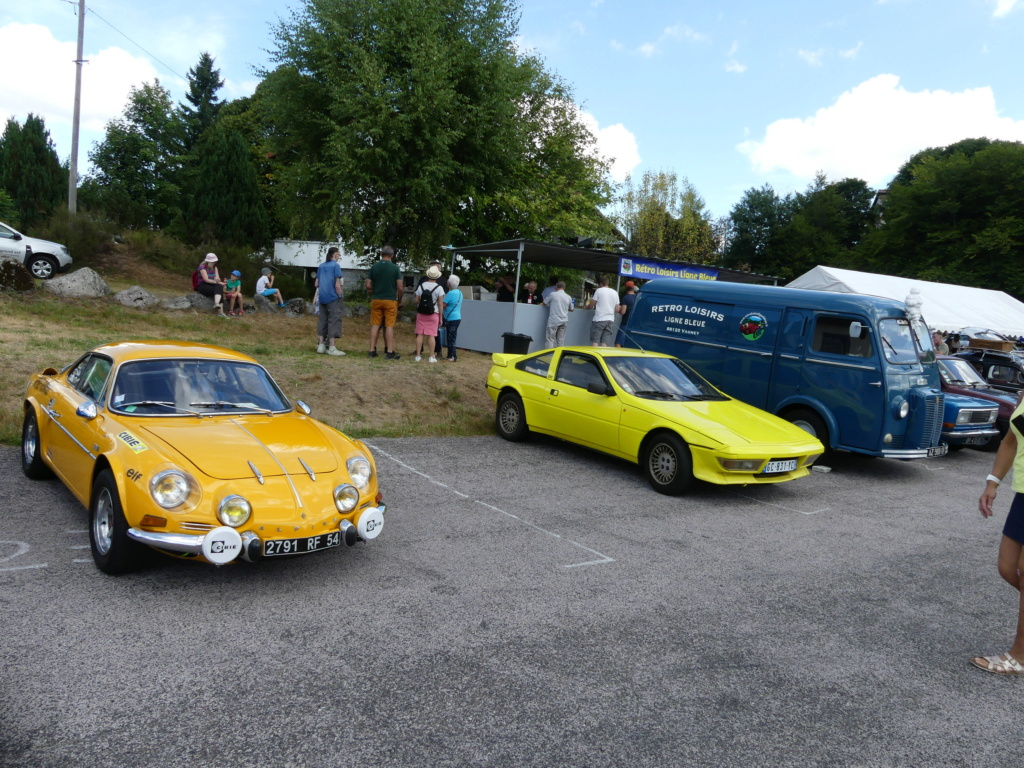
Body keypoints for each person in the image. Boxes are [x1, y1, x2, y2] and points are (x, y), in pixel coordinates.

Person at [974, 391, 1024, 675]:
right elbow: (1010, 440)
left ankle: (1019, 656)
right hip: (1023, 494)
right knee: (1007, 567)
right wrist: (992, 483)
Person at [365, 245, 403, 360]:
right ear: (392, 256)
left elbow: (368, 285)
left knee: (375, 325)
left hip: (376, 299)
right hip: (390, 300)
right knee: (389, 325)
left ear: (381, 254)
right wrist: (399, 300)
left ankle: (372, 350)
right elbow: (400, 287)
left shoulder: (374, 267)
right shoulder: (395, 268)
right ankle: (389, 351)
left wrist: (373, 292)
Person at [315, 247, 345, 356]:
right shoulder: (336, 266)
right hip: (332, 297)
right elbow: (337, 285)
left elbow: (316, 284)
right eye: (339, 254)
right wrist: (340, 295)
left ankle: (321, 345)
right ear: (335, 254)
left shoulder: (321, 266)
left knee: (322, 320)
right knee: (333, 320)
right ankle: (332, 347)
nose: (340, 256)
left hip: (322, 297)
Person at [413, 265, 445, 362]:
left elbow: (416, 300)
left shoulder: (421, 286)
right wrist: (440, 318)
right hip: (433, 313)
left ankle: (418, 355)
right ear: (437, 276)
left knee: (420, 334)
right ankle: (432, 356)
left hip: (421, 313)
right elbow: (440, 304)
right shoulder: (439, 288)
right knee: (431, 335)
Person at [588, 276, 619, 347]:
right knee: (604, 343)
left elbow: (592, 304)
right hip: (610, 320)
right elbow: (617, 309)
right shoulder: (615, 292)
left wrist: (588, 306)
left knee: (595, 341)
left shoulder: (599, 291)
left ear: (601, 284)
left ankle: (594, 357)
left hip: (599, 319)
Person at [195, 253, 227, 317]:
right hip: (203, 285)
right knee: (219, 289)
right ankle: (220, 312)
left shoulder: (215, 268)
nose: (215, 263)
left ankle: (217, 304)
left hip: (212, 284)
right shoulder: (202, 267)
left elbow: (218, 278)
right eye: (213, 262)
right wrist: (216, 282)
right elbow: (206, 280)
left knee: (219, 287)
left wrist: (218, 280)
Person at [543, 281, 574, 348]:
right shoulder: (568, 297)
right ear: (564, 288)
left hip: (554, 319)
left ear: (556, 287)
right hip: (564, 320)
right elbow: (571, 309)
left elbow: (544, 303)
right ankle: (560, 356)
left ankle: (549, 356)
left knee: (550, 339)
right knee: (560, 341)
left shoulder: (553, 294)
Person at [443, 274, 463, 362]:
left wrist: (445, 304)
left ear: (449, 284)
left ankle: (452, 356)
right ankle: (451, 355)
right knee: (452, 337)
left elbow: (442, 305)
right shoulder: (459, 292)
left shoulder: (450, 293)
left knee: (450, 338)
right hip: (457, 317)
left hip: (450, 318)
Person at [615, 281, 638, 347]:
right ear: (633, 287)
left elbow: (623, 312)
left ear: (626, 288)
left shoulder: (626, 298)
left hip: (625, 323)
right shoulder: (637, 297)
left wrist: (619, 309)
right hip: (634, 324)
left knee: (618, 343)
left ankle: (619, 357)